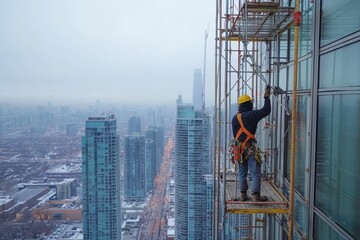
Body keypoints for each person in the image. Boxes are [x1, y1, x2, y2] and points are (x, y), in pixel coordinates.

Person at [231, 86, 271, 202]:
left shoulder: (235, 118)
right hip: (250, 148)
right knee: (255, 172)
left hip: (239, 149)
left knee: (242, 172)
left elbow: (236, 135)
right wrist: (266, 97)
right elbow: (266, 110)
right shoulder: (251, 115)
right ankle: (255, 196)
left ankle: (243, 195)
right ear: (249, 105)